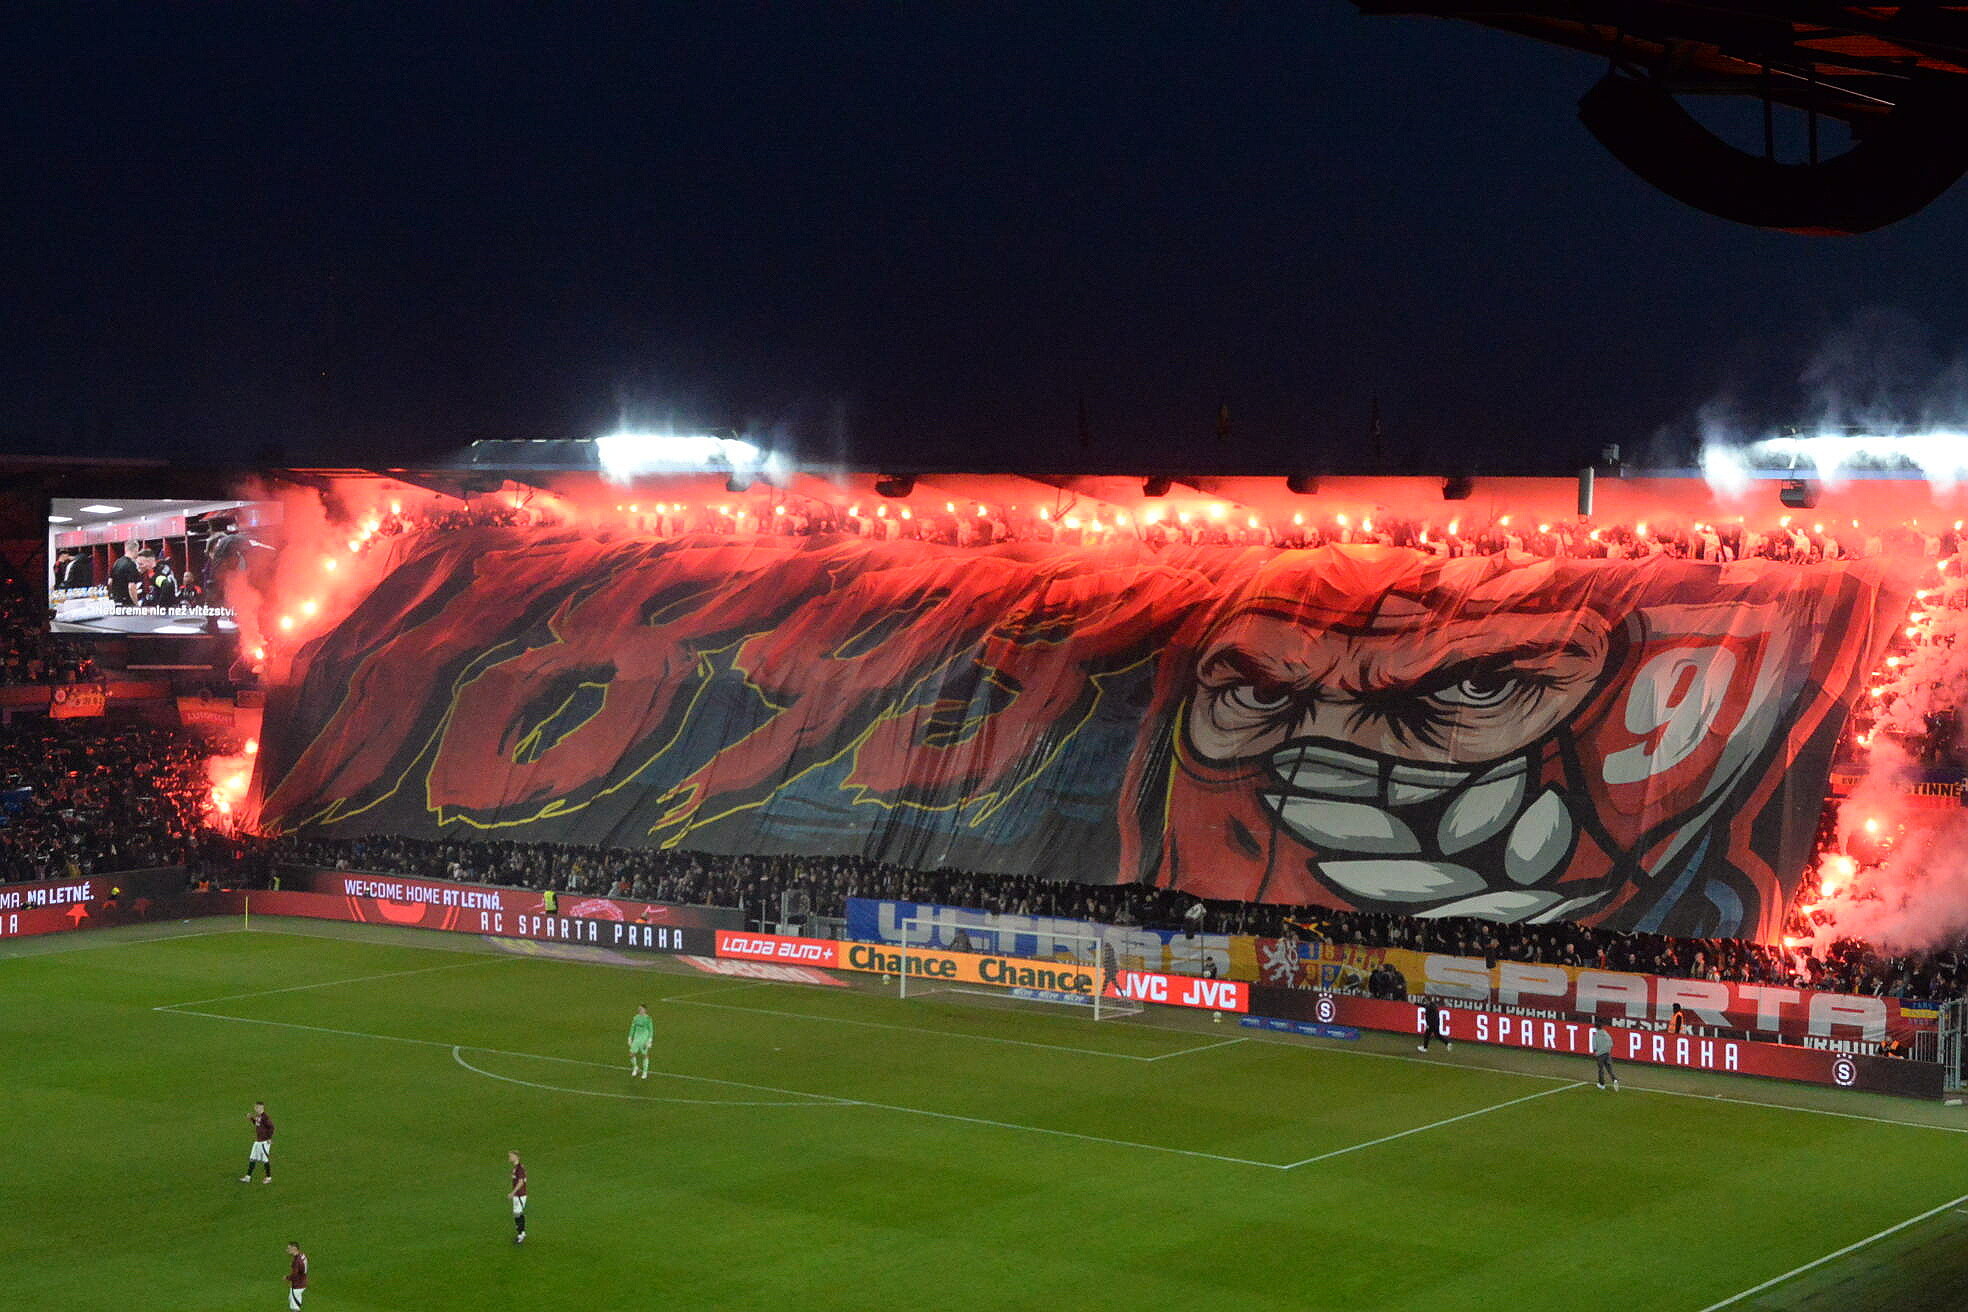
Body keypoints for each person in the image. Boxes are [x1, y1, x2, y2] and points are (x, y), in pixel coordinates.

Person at [241, 1100, 275, 1183]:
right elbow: (257, 1124)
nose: (255, 1108)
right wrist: (251, 1118)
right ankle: (248, 1177)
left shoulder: (265, 1117)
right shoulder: (259, 1116)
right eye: (255, 1107)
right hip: (257, 1142)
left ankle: (268, 1178)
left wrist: (269, 1138)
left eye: (257, 1107)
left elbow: (271, 1127)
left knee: (265, 1160)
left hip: (264, 1142)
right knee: (252, 1158)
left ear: (261, 1108)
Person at [107, 542, 147, 606]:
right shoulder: (131, 564)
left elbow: (110, 582)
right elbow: (131, 587)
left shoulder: (117, 562)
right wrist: (136, 604)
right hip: (127, 603)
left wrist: (114, 595)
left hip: (117, 601)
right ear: (135, 550)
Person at [1591, 1018, 1618, 1090]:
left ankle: (1602, 1084)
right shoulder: (1606, 1034)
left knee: (1601, 1069)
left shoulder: (1595, 1035)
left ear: (1596, 1027)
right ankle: (1614, 1079)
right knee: (1609, 1069)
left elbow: (1594, 1047)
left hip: (1600, 1055)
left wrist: (1595, 1053)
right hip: (1607, 1053)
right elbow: (1611, 1043)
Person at [628, 1002, 653, 1079]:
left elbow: (651, 1030)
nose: (639, 1010)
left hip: (644, 1039)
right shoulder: (635, 1018)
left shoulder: (648, 1019)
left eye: (641, 1009)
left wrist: (650, 1040)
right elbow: (632, 1028)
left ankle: (645, 1072)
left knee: (645, 1055)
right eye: (639, 1009)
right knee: (631, 1054)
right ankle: (635, 1067)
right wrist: (630, 1037)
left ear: (645, 1010)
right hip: (636, 1038)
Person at [508, 1150, 528, 1244]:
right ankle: (522, 1232)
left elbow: (521, 1182)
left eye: (511, 1156)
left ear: (516, 1157)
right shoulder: (517, 1168)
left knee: (517, 1214)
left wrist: (513, 1193)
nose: (509, 1157)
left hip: (520, 1195)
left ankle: (521, 1235)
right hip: (518, 1194)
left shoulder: (519, 1169)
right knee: (517, 1213)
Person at [284, 1241, 308, 1310]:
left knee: (294, 1307)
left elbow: (294, 1275)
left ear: (294, 1248)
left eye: (289, 1248)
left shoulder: (297, 1261)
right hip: (302, 1281)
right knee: (293, 1300)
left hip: (298, 1285)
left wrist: (287, 1278)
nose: (287, 1250)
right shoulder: (302, 1255)